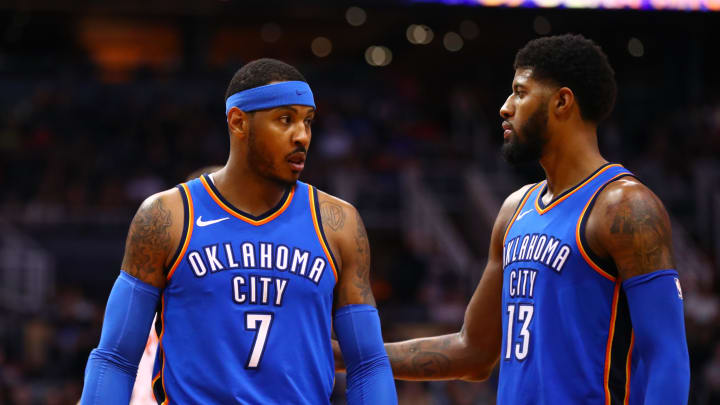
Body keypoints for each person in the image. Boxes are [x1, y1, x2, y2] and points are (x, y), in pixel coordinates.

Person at [338, 34, 690, 404]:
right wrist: (345, 354)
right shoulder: (514, 210)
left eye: (520, 92)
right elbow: (471, 351)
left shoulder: (624, 206)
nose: (505, 107)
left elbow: (666, 356)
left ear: (562, 101)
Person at [81, 58, 397, 404]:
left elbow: (368, 363)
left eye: (308, 121)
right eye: (285, 120)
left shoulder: (339, 223)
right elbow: (115, 357)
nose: (302, 135)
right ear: (238, 122)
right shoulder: (167, 216)